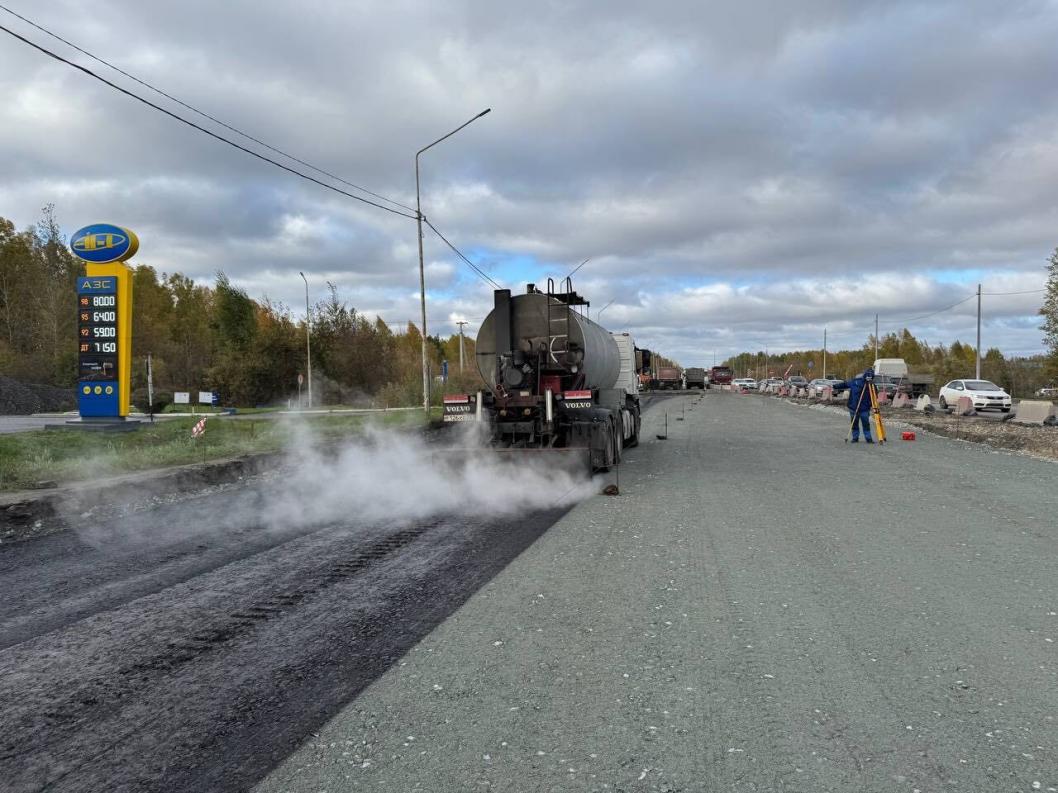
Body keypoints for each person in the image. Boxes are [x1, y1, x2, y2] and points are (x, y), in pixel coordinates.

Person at [833, 371, 874, 443]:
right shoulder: (855, 382)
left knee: (866, 424)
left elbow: (874, 395)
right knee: (854, 423)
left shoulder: (871, 385)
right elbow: (845, 384)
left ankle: (868, 438)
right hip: (853, 407)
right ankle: (855, 437)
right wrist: (835, 386)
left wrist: (870, 404)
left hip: (864, 408)